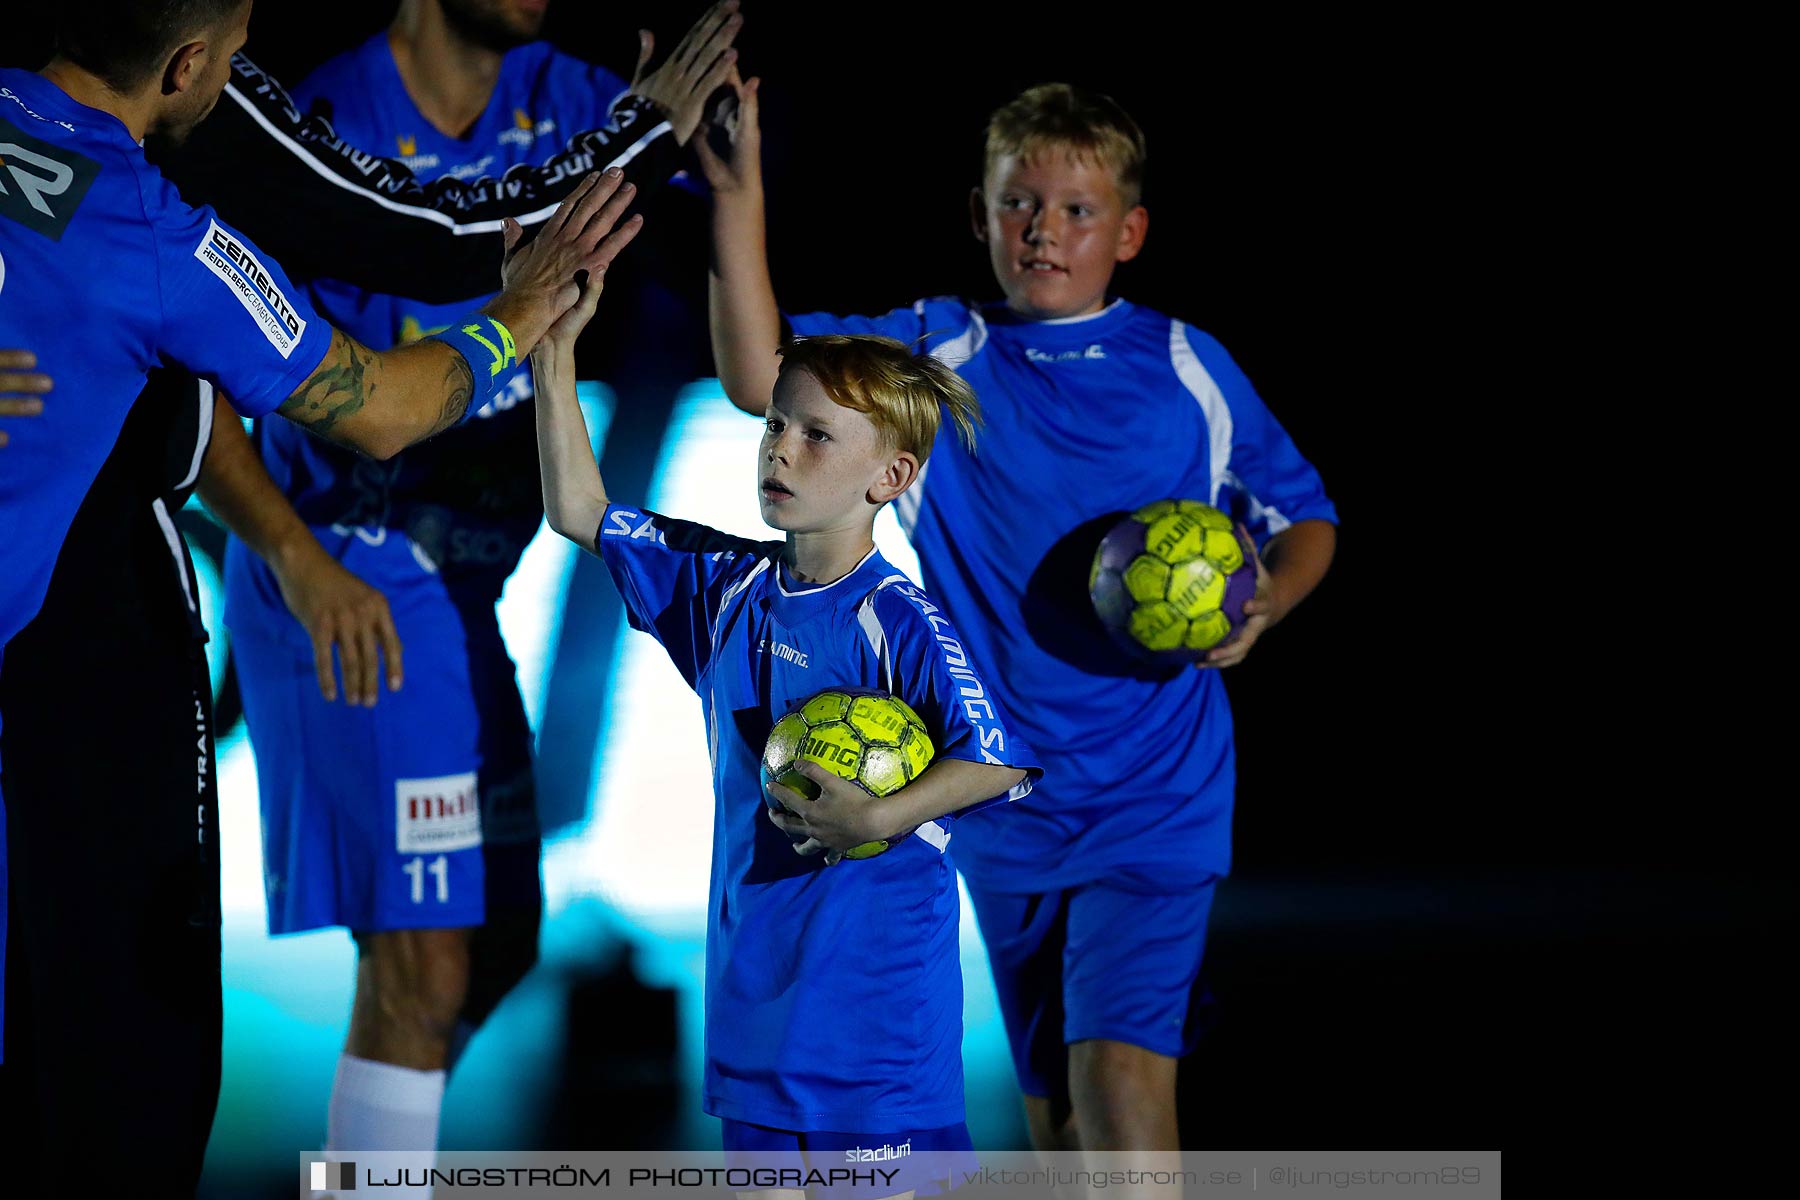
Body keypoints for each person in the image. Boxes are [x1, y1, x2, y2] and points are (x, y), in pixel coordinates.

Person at [702, 80, 1340, 1150]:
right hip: (1001, 808)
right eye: (1019, 204)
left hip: (1157, 797)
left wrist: (1269, 599)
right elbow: (756, 374)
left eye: (1077, 211)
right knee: (1055, 1125)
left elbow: (1308, 516)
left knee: (1121, 1089)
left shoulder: (1187, 365)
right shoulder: (935, 359)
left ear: (1130, 232)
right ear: (977, 216)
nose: (1044, 230)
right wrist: (735, 189)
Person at [0, 0, 639, 1063]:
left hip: (443, 593)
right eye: (238, 45)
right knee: (178, 1046)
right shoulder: (158, 234)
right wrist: (522, 311)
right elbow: (385, 408)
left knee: (480, 955)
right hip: (339, 584)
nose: (249, 63)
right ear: (188, 63)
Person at [220, 0, 740, 1169]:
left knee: (500, 937)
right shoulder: (328, 121)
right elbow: (198, 363)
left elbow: (709, 224)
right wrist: (296, 563)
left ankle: (366, 1161)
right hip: (353, 566)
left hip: (461, 586)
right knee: (425, 959)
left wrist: (709, 150)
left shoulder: (567, 96)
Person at [535, 310, 1039, 1190]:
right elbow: (578, 510)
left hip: (876, 1035)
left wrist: (877, 816)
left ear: (892, 476)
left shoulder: (901, 622)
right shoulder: (724, 585)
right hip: (754, 1021)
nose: (778, 451)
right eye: (774, 425)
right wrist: (554, 353)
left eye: (816, 435)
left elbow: (999, 762)